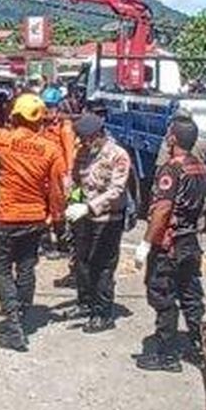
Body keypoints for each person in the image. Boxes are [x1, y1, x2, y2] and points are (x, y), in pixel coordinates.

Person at [0, 94, 67, 352]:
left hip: (7, 217)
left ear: (16, 116)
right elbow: (57, 191)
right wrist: (58, 219)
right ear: (40, 120)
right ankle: (22, 313)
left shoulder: (6, 139)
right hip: (35, 217)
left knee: (0, 267)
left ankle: (12, 324)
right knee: (26, 266)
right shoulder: (51, 149)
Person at [135, 116, 206, 372]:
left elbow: (163, 210)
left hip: (170, 244)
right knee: (191, 295)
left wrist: (146, 243)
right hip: (191, 241)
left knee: (163, 295)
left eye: (169, 134)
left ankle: (167, 355)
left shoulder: (171, 169)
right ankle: (202, 347)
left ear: (173, 139)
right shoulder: (201, 168)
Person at [64, 114, 130, 332]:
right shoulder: (84, 152)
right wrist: (69, 197)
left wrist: (89, 206)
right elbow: (75, 179)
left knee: (102, 267)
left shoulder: (117, 155)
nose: (84, 144)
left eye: (87, 140)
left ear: (98, 135)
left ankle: (103, 313)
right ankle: (85, 303)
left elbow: (116, 190)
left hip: (108, 219)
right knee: (82, 263)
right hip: (84, 218)